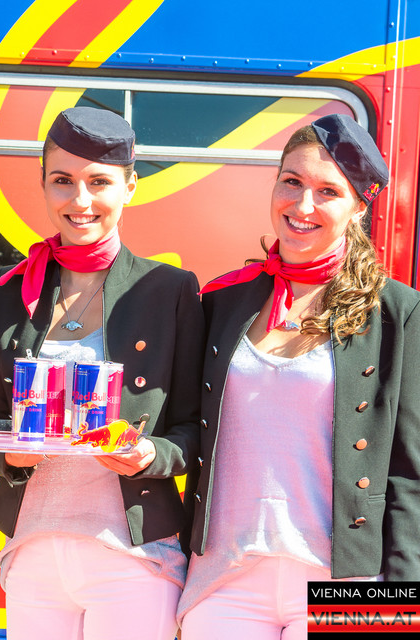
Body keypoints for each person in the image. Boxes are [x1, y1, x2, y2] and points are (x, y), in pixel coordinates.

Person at [179, 114, 420, 637]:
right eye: (291, 182)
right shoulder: (223, 300)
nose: (303, 205)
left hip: (347, 584)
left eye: (328, 191)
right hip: (224, 577)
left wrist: (404, 608)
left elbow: (409, 473)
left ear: (359, 207)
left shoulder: (396, 313)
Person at [0, 107, 204, 639]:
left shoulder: (169, 290)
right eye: (63, 181)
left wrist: (150, 455)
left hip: (133, 555)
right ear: (43, 186)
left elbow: (196, 428)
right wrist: (9, 454)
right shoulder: (9, 290)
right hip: (31, 548)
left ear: (130, 186)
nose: (80, 201)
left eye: (99, 182)